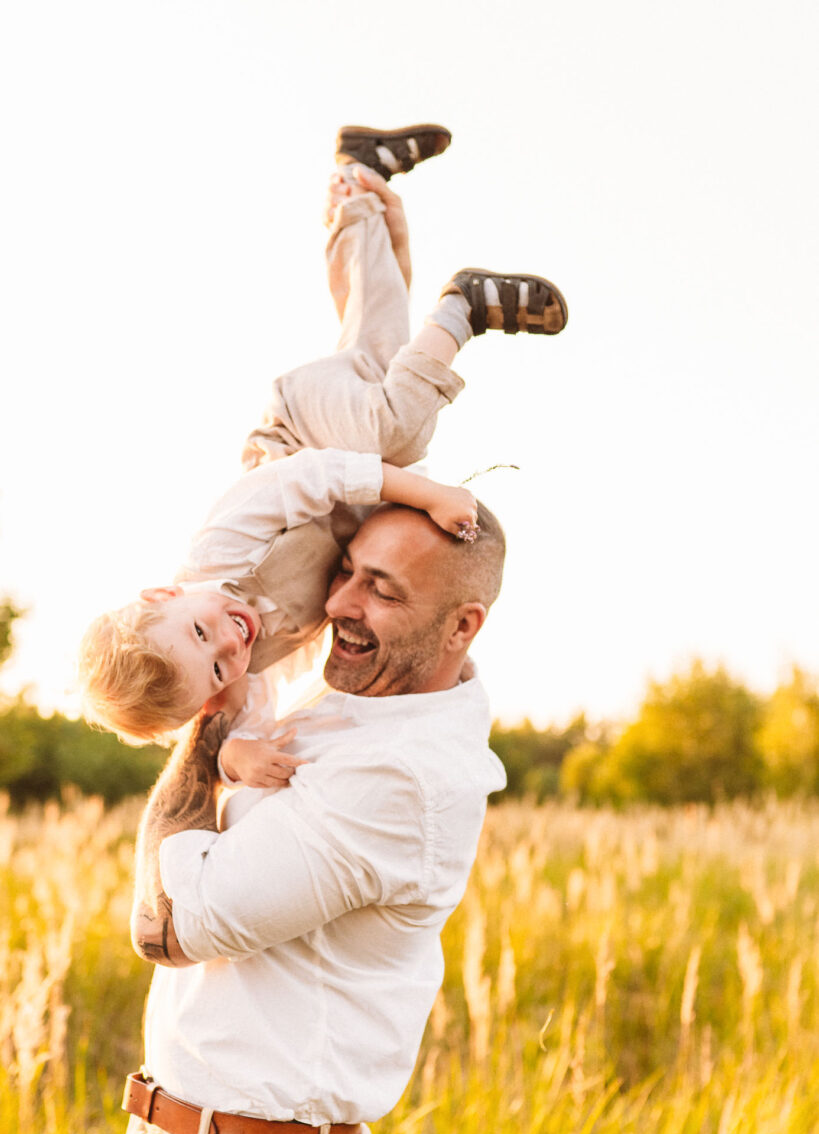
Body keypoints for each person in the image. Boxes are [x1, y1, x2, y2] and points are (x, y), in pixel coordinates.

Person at [105, 495, 509, 1134]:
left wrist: (203, 735)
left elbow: (171, 928)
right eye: (348, 573)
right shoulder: (338, 711)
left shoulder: (404, 774)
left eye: (382, 591)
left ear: (461, 626)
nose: (339, 606)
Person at [77, 123, 567, 769]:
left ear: (163, 597)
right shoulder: (242, 676)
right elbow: (229, 742)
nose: (230, 639)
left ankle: (463, 305)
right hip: (341, 455)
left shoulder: (218, 548)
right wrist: (239, 761)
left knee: (396, 433)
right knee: (377, 337)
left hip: (299, 430)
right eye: (219, 665)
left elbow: (316, 474)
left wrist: (427, 491)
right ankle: (361, 179)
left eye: (202, 631)